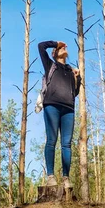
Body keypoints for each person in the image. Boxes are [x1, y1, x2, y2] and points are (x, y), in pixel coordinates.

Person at [38, 40, 81, 188]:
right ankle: (51, 177)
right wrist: (55, 43)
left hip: (68, 109)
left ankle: (66, 178)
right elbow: (40, 46)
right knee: (51, 140)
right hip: (52, 106)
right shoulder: (51, 65)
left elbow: (75, 92)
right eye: (60, 48)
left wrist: (78, 78)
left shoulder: (70, 70)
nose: (64, 48)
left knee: (67, 144)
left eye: (64, 47)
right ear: (54, 53)